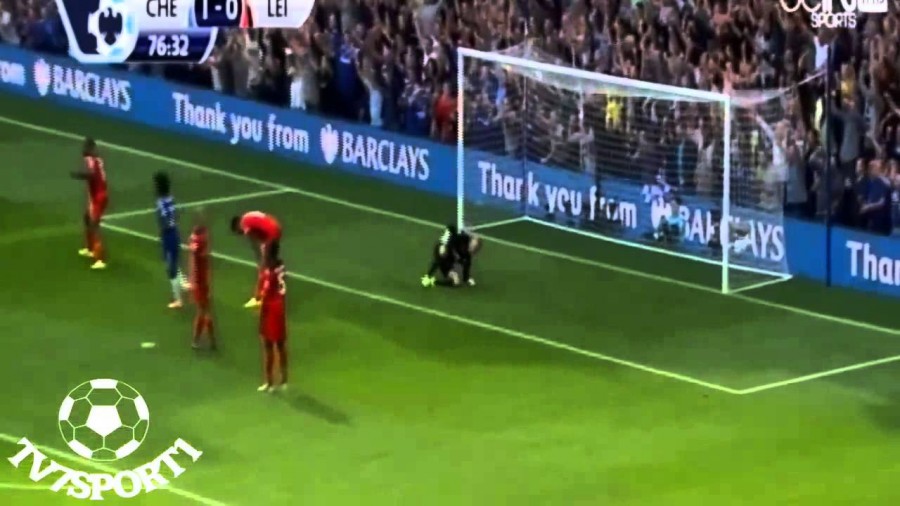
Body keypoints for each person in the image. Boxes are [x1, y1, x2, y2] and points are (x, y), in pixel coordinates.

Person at [230, 211, 282, 308]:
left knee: (265, 267)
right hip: (275, 228)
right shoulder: (247, 217)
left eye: (238, 232)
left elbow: (254, 244)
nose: (240, 233)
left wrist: (260, 261)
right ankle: (274, 290)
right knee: (271, 264)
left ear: (237, 225)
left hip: (271, 234)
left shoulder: (245, 225)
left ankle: (260, 298)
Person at [71, 137, 108, 270]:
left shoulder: (90, 159)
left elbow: (92, 175)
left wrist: (78, 175)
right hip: (96, 196)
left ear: (91, 148)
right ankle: (90, 248)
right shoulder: (97, 159)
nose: (83, 149)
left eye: (86, 146)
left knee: (94, 225)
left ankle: (100, 259)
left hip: (99, 197)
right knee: (87, 218)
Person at [258, 241, 287, 392]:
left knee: (269, 344)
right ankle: (283, 380)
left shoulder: (269, 270)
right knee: (280, 345)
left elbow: (265, 292)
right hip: (279, 307)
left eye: (264, 249)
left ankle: (270, 382)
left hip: (270, 308)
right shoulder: (279, 265)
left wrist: (257, 301)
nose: (262, 251)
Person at [153, 172, 186, 308]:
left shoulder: (160, 203)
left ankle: (178, 300)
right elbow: (176, 215)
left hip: (168, 235)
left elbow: (165, 222)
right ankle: (183, 283)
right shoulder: (170, 199)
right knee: (173, 260)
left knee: (170, 267)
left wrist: (162, 232)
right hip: (174, 233)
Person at [188, 210, 216, 350]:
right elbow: (203, 255)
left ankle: (210, 341)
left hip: (198, 280)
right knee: (204, 311)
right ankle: (201, 340)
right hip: (201, 282)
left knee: (204, 310)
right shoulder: (201, 240)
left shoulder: (194, 237)